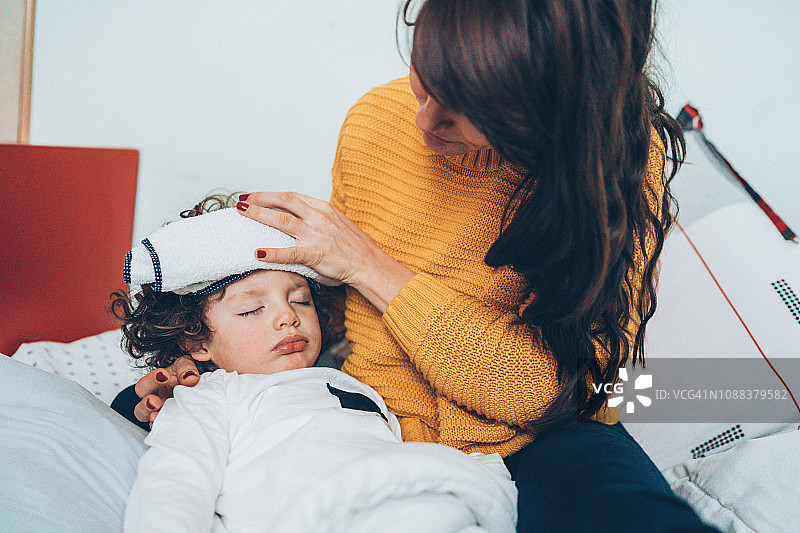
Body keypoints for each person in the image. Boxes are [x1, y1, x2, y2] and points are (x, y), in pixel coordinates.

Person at [123, 2, 720, 531]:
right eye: (425, 77)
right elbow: (329, 313)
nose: (423, 121)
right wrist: (203, 367)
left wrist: (369, 265)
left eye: (464, 112)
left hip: (541, 434)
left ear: (548, 121)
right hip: (379, 431)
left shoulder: (615, 164)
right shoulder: (374, 124)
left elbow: (547, 390)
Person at [112, 197, 517, 532]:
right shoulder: (211, 396)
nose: (287, 317)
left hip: (413, 498)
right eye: (253, 309)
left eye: (300, 299)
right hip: (312, 513)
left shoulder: (351, 378)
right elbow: (175, 481)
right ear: (197, 340)